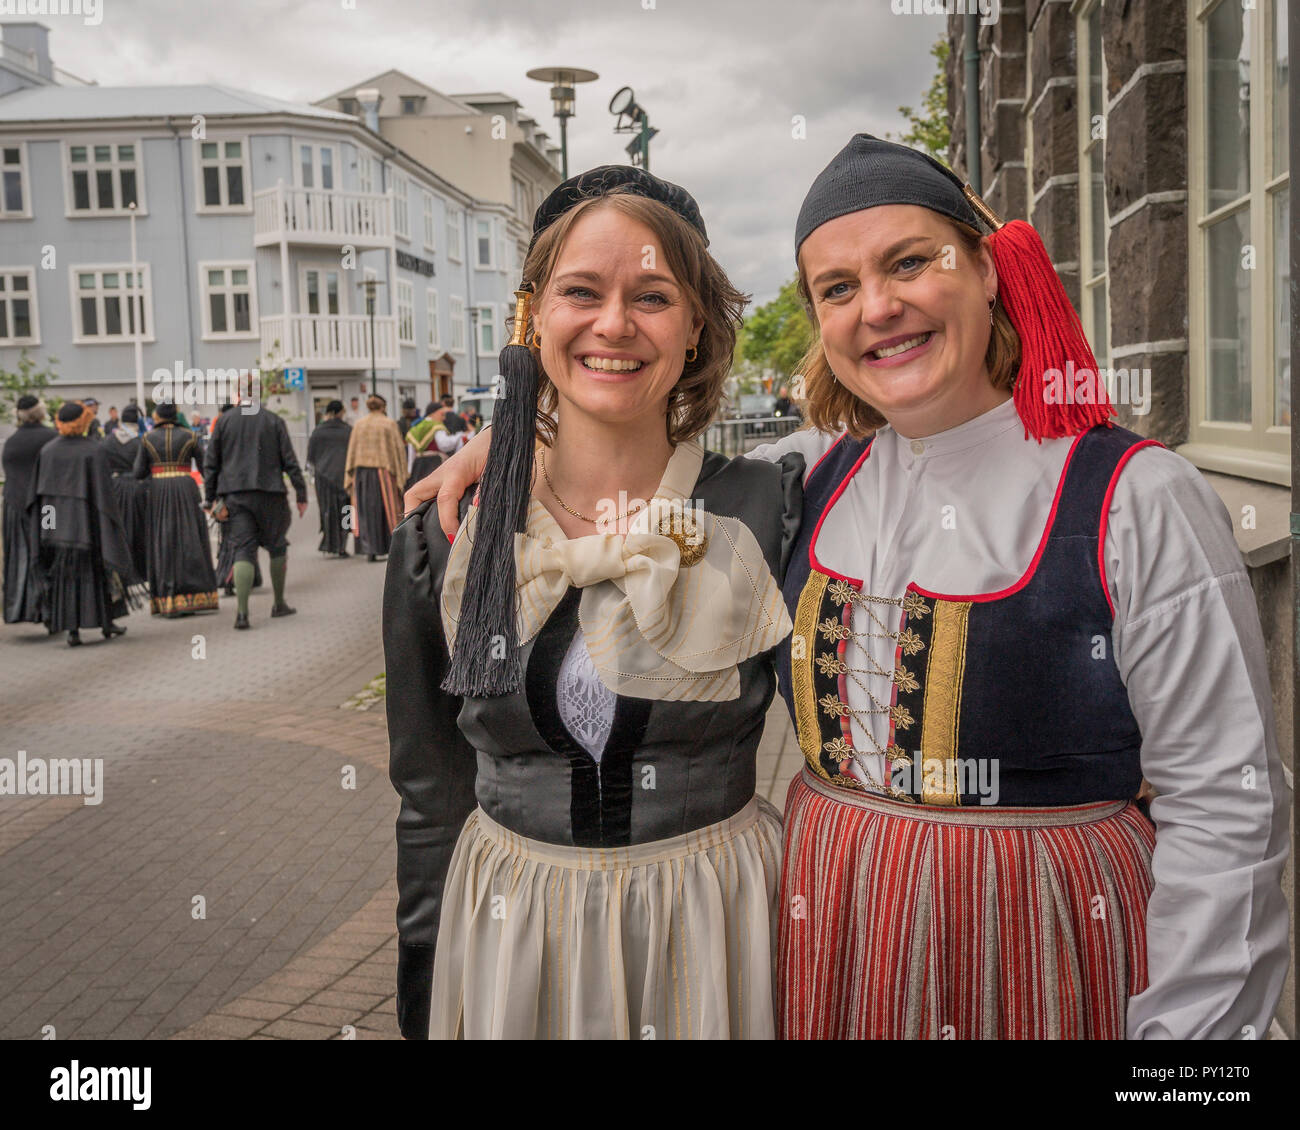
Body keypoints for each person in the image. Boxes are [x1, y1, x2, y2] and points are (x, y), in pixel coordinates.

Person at [405, 135, 1292, 1042]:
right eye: (837, 288)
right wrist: (511, 449)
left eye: (911, 262)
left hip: (1049, 938)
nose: (879, 307)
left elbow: (1228, 800)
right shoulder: (810, 481)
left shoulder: (1138, 497)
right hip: (835, 948)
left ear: (991, 266)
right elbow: (622, 451)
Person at [383, 165, 802, 1041]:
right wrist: (424, 1004)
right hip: (512, 937)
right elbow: (429, 797)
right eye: (582, 291)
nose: (614, 323)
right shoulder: (444, 534)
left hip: (715, 927)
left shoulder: (771, 508)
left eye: (652, 295)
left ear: (695, 329)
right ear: (533, 318)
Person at [30, 401, 131, 646]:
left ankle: (72, 630)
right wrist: (106, 526)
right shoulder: (93, 450)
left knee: (65, 577)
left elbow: (44, 497)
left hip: (57, 527)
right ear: (84, 420)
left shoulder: (48, 451)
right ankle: (107, 622)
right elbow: (103, 496)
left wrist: (49, 529)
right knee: (97, 575)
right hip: (88, 526)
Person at [203, 401, 307, 630]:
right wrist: (301, 493)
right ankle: (279, 604)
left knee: (242, 549)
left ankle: (242, 613)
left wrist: (209, 499)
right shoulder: (273, 420)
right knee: (277, 546)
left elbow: (211, 463)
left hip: (235, 496)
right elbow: (289, 460)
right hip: (271, 494)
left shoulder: (224, 421)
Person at [133, 402, 219, 617]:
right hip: (185, 488)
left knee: (163, 540)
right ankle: (196, 594)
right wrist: (212, 496)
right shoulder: (190, 436)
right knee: (190, 538)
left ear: (158, 416)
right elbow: (204, 468)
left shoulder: (147, 438)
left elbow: (138, 472)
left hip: (159, 490)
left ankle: (167, 596)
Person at [2, 395, 56, 625]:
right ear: (41, 412)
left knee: (19, 556)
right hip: (47, 508)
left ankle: (20, 608)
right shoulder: (52, 438)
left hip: (15, 507)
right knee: (50, 552)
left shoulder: (11, 442)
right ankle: (52, 608)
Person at [344, 394, 406, 562]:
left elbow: (352, 450)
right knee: (386, 509)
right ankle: (389, 546)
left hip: (361, 473)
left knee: (364, 511)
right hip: (383, 472)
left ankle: (368, 548)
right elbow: (398, 450)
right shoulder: (389, 424)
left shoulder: (359, 424)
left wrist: (349, 474)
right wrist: (402, 474)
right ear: (383, 407)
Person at [101, 404, 149, 590]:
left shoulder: (108, 441)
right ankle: (140, 570)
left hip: (116, 488)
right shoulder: (141, 442)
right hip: (137, 488)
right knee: (139, 529)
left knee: (120, 530)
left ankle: (123, 569)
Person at [306, 400, 353, 557]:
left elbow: (310, 458)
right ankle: (342, 544)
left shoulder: (318, 431)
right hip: (344, 477)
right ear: (341, 412)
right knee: (346, 510)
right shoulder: (348, 430)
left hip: (323, 478)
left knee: (328, 511)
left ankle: (329, 542)